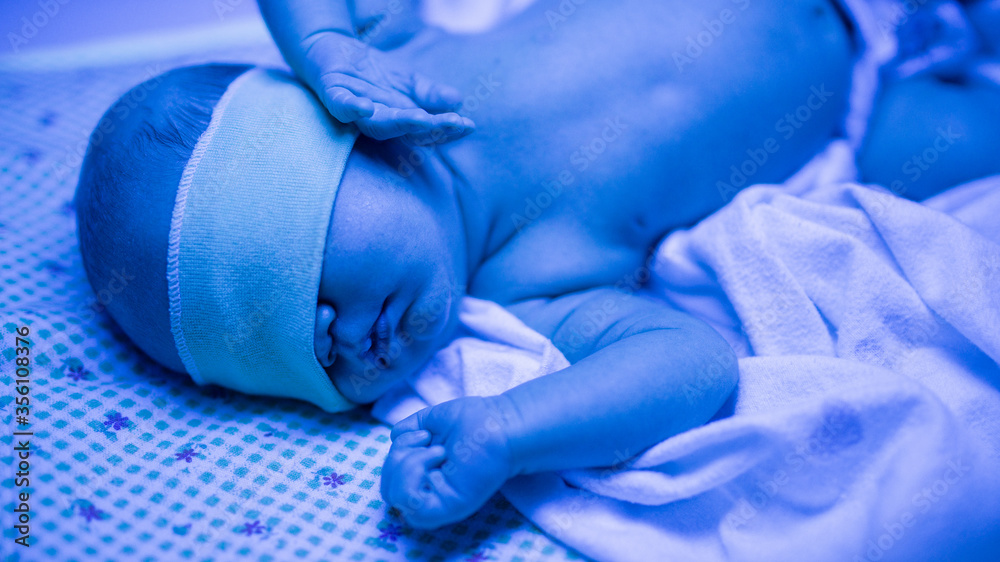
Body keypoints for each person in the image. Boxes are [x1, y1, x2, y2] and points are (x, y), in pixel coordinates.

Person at [75, 0, 1000, 530]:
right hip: (864, 105)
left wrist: (322, 47)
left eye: (316, 301)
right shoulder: (533, 283)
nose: (355, 347)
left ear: (323, 145)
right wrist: (512, 428)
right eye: (315, 369)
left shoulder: (396, 51)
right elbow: (694, 367)